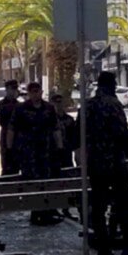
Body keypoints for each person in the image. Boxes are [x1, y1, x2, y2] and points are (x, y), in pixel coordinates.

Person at [86, 71, 128, 255]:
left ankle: (104, 249)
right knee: (125, 204)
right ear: (112, 85)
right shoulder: (113, 104)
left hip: (95, 162)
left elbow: (79, 135)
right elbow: (121, 133)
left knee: (98, 205)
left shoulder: (88, 105)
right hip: (114, 161)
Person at [8, 82, 62, 225]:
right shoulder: (21, 109)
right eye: (32, 92)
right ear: (29, 93)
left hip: (45, 151)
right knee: (32, 183)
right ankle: (36, 212)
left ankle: (45, 212)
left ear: (41, 92)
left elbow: (56, 128)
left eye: (37, 91)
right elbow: (12, 129)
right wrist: (10, 149)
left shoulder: (49, 108)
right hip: (27, 152)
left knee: (46, 182)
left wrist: (60, 147)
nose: (35, 94)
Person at [50, 93, 78, 221]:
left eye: (60, 102)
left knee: (68, 182)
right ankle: (54, 208)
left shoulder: (69, 120)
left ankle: (66, 208)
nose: (58, 105)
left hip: (66, 154)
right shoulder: (49, 120)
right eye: (56, 103)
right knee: (54, 183)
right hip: (53, 155)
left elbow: (75, 138)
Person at [0, 80, 20, 176]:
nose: (14, 91)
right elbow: (2, 120)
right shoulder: (1, 104)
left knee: (17, 165)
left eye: (15, 89)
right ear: (7, 90)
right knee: (6, 166)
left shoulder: (19, 104)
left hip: (18, 138)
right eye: (12, 89)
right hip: (6, 137)